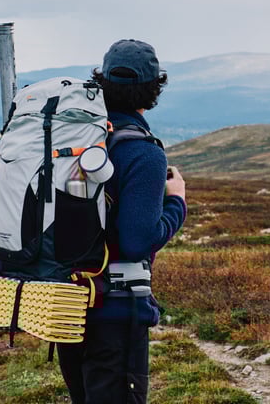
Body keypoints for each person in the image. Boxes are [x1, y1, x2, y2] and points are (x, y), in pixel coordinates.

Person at [56, 39, 187, 404]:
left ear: (101, 82)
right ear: (153, 88)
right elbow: (137, 241)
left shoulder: (74, 139)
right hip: (114, 312)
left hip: (67, 303)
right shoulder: (142, 153)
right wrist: (176, 201)